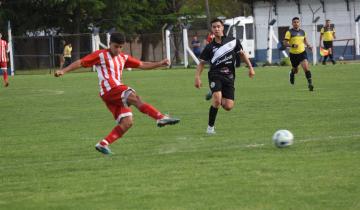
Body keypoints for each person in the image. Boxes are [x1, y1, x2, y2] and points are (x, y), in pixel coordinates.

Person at [54, 33, 180, 155]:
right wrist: (63, 70)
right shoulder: (101, 55)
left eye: (121, 47)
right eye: (116, 46)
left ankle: (103, 144)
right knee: (134, 97)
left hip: (112, 94)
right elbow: (81, 62)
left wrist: (159, 63)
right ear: (110, 44)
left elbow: (142, 64)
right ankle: (160, 118)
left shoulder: (123, 57)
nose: (118, 49)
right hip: (110, 89)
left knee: (127, 122)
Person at [194, 18, 255, 134]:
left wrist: (251, 68)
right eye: (214, 27)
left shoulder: (233, 41)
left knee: (228, 106)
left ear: (222, 27)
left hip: (229, 76)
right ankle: (210, 128)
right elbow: (201, 63)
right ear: (212, 29)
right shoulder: (209, 47)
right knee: (217, 101)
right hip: (215, 75)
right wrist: (197, 77)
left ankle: (213, 92)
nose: (216, 29)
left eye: (218, 26)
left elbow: (242, 54)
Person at [283, 17, 314, 91]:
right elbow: (285, 43)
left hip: (302, 53)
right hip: (293, 54)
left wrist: (309, 45)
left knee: (306, 68)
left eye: (297, 22)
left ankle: (310, 84)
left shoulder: (303, 32)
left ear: (299, 23)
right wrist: (292, 45)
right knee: (296, 70)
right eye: (294, 22)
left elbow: (305, 41)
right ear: (292, 23)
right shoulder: (289, 32)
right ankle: (292, 73)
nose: (296, 23)